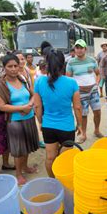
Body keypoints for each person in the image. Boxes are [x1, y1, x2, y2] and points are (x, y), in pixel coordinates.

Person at [34, 48, 83, 178]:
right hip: (66, 127)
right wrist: (80, 125)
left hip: (48, 126)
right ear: (63, 64)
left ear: (47, 63)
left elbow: (37, 106)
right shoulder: (72, 83)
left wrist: (40, 121)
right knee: (65, 158)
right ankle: (63, 180)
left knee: (50, 157)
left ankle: (53, 180)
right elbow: (77, 107)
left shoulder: (39, 81)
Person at [0, 54, 39, 185]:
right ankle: (18, 174)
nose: (13, 69)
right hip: (15, 121)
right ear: (4, 68)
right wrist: (22, 108)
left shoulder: (22, 79)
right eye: (10, 66)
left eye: (15, 66)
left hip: (29, 118)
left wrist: (30, 105)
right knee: (18, 149)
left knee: (27, 146)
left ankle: (25, 166)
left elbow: (33, 95)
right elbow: (2, 106)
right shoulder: (1, 84)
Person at [66, 39, 103, 143]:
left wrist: (96, 83)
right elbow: (68, 78)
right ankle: (83, 134)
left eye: (81, 48)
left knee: (98, 112)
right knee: (83, 114)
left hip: (93, 90)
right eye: (77, 48)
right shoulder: (71, 62)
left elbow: (98, 73)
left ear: (85, 49)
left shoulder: (92, 60)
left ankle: (96, 130)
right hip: (80, 92)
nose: (79, 50)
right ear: (75, 49)